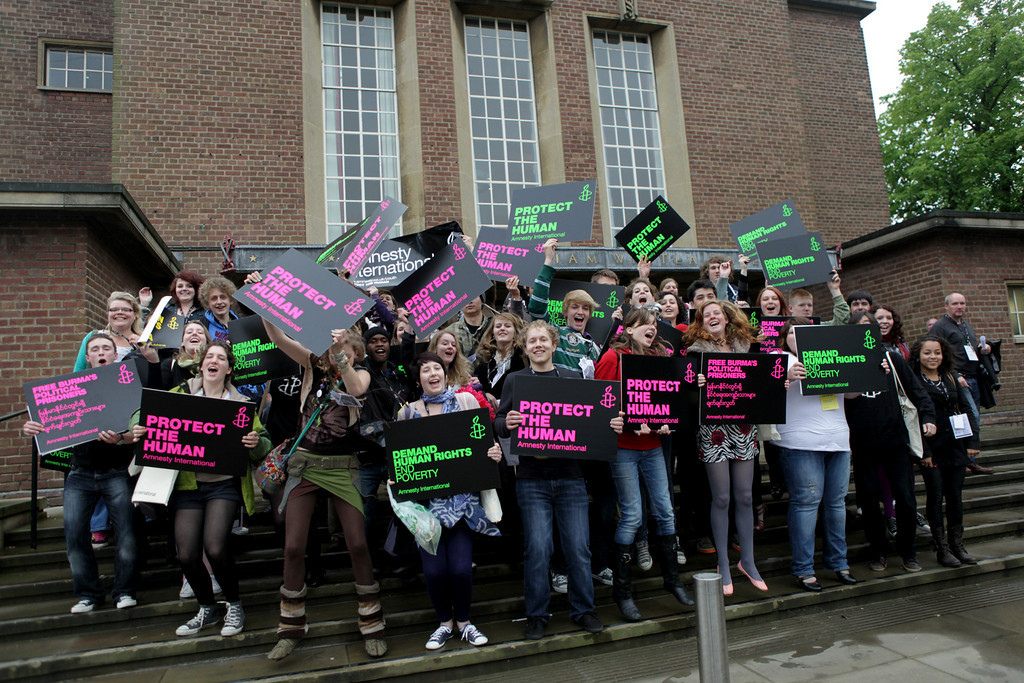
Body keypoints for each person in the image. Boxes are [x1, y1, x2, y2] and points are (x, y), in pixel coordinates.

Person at [260, 320, 386, 660]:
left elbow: (356, 389)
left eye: (344, 348)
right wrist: (263, 305)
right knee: (293, 546)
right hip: (305, 466)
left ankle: (372, 623)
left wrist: (340, 352)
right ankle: (290, 628)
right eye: (333, 348)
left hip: (343, 468)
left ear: (355, 352)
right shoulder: (311, 365)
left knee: (358, 544)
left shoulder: (361, 374)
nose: (334, 353)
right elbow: (276, 336)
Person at [494, 320, 623, 639]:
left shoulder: (573, 377)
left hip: (570, 478)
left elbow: (595, 421)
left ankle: (584, 610)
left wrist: (613, 425)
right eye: (532, 341)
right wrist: (505, 422)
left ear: (554, 345)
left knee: (579, 548)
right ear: (524, 349)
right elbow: (497, 423)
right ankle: (536, 614)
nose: (538, 345)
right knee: (538, 549)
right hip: (531, 479)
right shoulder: (514, 380)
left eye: (543, 340)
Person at [135, 340, 270, 637]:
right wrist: (140, 426)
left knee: (217, 548)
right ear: (201, 364)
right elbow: (144, 411)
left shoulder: (240, 404)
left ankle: (234, 604)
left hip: (223, 486)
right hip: (187, 487)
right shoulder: (182, 394)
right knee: (186, 555)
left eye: (221, 358)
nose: (214, 361)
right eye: (210, 356)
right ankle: (207, 608)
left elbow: (263, 443)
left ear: (229, 368)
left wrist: (255, 442)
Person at [24, 333, 140, 614]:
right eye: (95, 349)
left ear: (115, 355)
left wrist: (123, 439)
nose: (101, 352)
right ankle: (88, 594)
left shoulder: (128, 388)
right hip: (80, 473)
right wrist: (33, 429)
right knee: (75, 536)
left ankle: (124, 591)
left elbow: (140, 432)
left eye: (106, 348)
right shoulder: (69, 389)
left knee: (127, 534)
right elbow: (50, 425)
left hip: (116, 473)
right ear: (87, 358)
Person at [396, 352, 503, 650]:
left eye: (437, 368)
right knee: (433, 571)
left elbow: (484, 444)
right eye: (425, 369)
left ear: (445, 373)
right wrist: (395, 476)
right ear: (418, 379)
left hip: (462, 505)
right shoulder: (407, 414)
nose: (433, 373)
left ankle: (465, 623)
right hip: (425, 510)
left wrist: (493, 453)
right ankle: (445, 623)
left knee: (459, 569)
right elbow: (399, 459)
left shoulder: (466, 402)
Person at [595, 308, 693, 620]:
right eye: (644, 324)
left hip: (653, 446)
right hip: (624, 448)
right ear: (628, 328)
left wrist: (668, 422)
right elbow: (602, 403)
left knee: (665, 511)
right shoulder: (612, 358)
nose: (651, 328)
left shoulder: (660, 358)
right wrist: (626, 423)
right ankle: (623, 592)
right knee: (633, 515)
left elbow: (671, 399)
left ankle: (672, 581)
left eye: (654, 325)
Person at [685, 301, 767, 595]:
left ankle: (747, 560)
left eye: (716, 313)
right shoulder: (695, 353)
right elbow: (686, 391)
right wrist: (695, 383)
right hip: (714, 430)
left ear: (727, 318)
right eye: (705, 315)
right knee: (721, 497)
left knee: (745, 496)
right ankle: (723, 563)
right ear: (701, 323)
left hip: (744, 428)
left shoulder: (747, 346)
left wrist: (776, 384)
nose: (712, 317)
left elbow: (763, 380)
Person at [845, 312, 937, 573]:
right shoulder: (843, 363)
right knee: (870, 503)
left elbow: (917, 392)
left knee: (906, 500)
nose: (866, 332)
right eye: (860, 327)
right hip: (863, 444)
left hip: (895, 442)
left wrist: (928, 418)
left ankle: (909, 551)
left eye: (870, 327)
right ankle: (878, 552)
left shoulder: (891, 358)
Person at [776, 318, 860, 591]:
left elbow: (853, 393)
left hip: (837, 440)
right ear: (784, 338)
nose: (798, 337)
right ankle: (803, 568)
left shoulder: (835, 356)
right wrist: (783, 377)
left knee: (836, 504)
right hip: (799, 443)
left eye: (805, 332)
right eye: (792, 333)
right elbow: (762, 391)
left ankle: (839, 562)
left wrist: (868, 369)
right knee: (806, 503)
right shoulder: (779, 360)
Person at [910, 335, 982, 567]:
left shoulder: (950, 377)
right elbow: (913, 418)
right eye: (928, 353)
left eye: (937, 352)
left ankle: (957, 545)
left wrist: (973, 442)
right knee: (935, 497)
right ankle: (941, 548)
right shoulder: (913, 381)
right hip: (932, 449)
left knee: (955, 498)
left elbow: (968, 410)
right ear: (918, 355)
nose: (933, 357)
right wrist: (924, 452)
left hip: (956, 446)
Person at [930, 292, 993, 474]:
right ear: (946, 307)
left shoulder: (965, 326)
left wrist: (983, 349)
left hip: (973, 379)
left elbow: (968, 349)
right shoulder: (940, 327)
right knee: (969, 418)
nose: (959, 306)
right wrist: (955, 375)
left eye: (962, 303)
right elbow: (936, 354)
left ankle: (968, 460)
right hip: (957, 379)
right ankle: (965, 460)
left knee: (974, 418)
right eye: (955, 303)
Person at [527, 239, 606, 378]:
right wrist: (548, 260)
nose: (580, 312)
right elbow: (536, 307)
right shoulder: (555, 333)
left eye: (585, 308)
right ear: (565, 311)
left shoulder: (595, 348)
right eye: (574, 307)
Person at [474, 312, 526, 408]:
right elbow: (476, 386)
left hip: (512, 410)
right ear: (493, 333)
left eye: (507, 326)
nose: (502, 328)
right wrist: (485, 394)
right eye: (498, 326)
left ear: (515, 333)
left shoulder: (523, 357)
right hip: (487, 412)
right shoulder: (484, 358)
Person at [198, 276, 238, 343]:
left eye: (223, 297)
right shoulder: (201, 326)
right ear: (207, 303)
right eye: (214, 298)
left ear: (231, 300)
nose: (219, 302)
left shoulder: (241, 324)